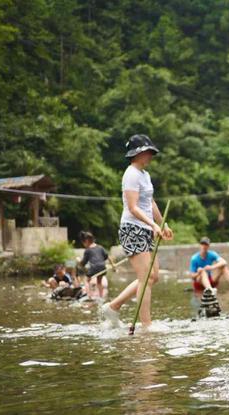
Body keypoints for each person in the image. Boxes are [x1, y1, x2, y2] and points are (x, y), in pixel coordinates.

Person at [101, 134, 173, 329]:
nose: (150, 155)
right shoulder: (131, 174)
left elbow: (150, 202)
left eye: (151, 152)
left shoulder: (145, 175)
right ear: (137, 153)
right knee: (146, 277)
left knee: (152, 276)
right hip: (132, 228)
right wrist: (153, 225)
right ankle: (146, 325)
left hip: (145, 228)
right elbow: (133, 207)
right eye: (147, 152)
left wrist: (162, 224)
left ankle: (113, 307)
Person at [78, 231, 116, 299]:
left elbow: (83, 262)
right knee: (99, 282)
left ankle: (89, 296)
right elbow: (108, 257)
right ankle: (101, 297)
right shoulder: (100, 247)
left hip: (94, 267)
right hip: (102, 267)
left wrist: (79, 263)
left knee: (87, 280)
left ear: (86, 241)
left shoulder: (88, 250)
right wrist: (113, 266)